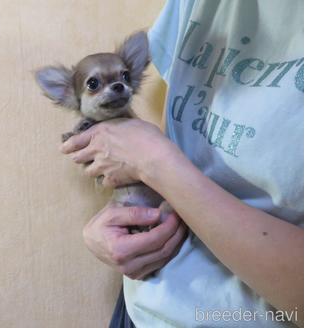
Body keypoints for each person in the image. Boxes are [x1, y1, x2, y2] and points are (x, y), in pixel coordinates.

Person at [60, 0, 304, 327]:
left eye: (120, 77)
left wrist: (153, 160)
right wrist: (114, 226)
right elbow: (177, 137)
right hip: (140, 306)